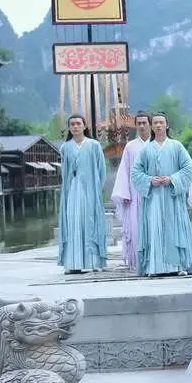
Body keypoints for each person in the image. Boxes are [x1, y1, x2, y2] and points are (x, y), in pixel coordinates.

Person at [131, 112, 192, 276]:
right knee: (154, 227)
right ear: (152, 126)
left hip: (172, 196)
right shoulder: (146, 149)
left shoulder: (176, 146)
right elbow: (135, 172)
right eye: (155, 123)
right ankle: (155, 267)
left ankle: (177, 266)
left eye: (161, 122)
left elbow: (188, 168)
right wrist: (149, 180)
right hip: (153, 197)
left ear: (167, 125)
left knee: (174, 228)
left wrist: (172, 179)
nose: (158, 125)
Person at [58, 115, 108, 274]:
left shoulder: (94, 145)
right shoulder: (65, 148)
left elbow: (101, 170)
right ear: (69, 128)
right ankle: (73, 263)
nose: (75, 127)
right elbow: (64, 172)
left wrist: (97, 190)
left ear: (85, 126)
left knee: (90, 222)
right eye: (72, 124)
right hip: (72, 191)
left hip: (91, 191)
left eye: (78, 124)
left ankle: (94, 261)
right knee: (73, 222)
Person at [110, 111, 151, 269]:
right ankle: (138, 260)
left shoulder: (157, 144)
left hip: (154, 191)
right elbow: (124, 171)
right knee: (135, 227)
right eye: (138, 123)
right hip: (135, 192)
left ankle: (155, 259)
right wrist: (124, 193)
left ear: (150, 124)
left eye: (144, 123)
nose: (141, 126)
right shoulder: (130, 146)